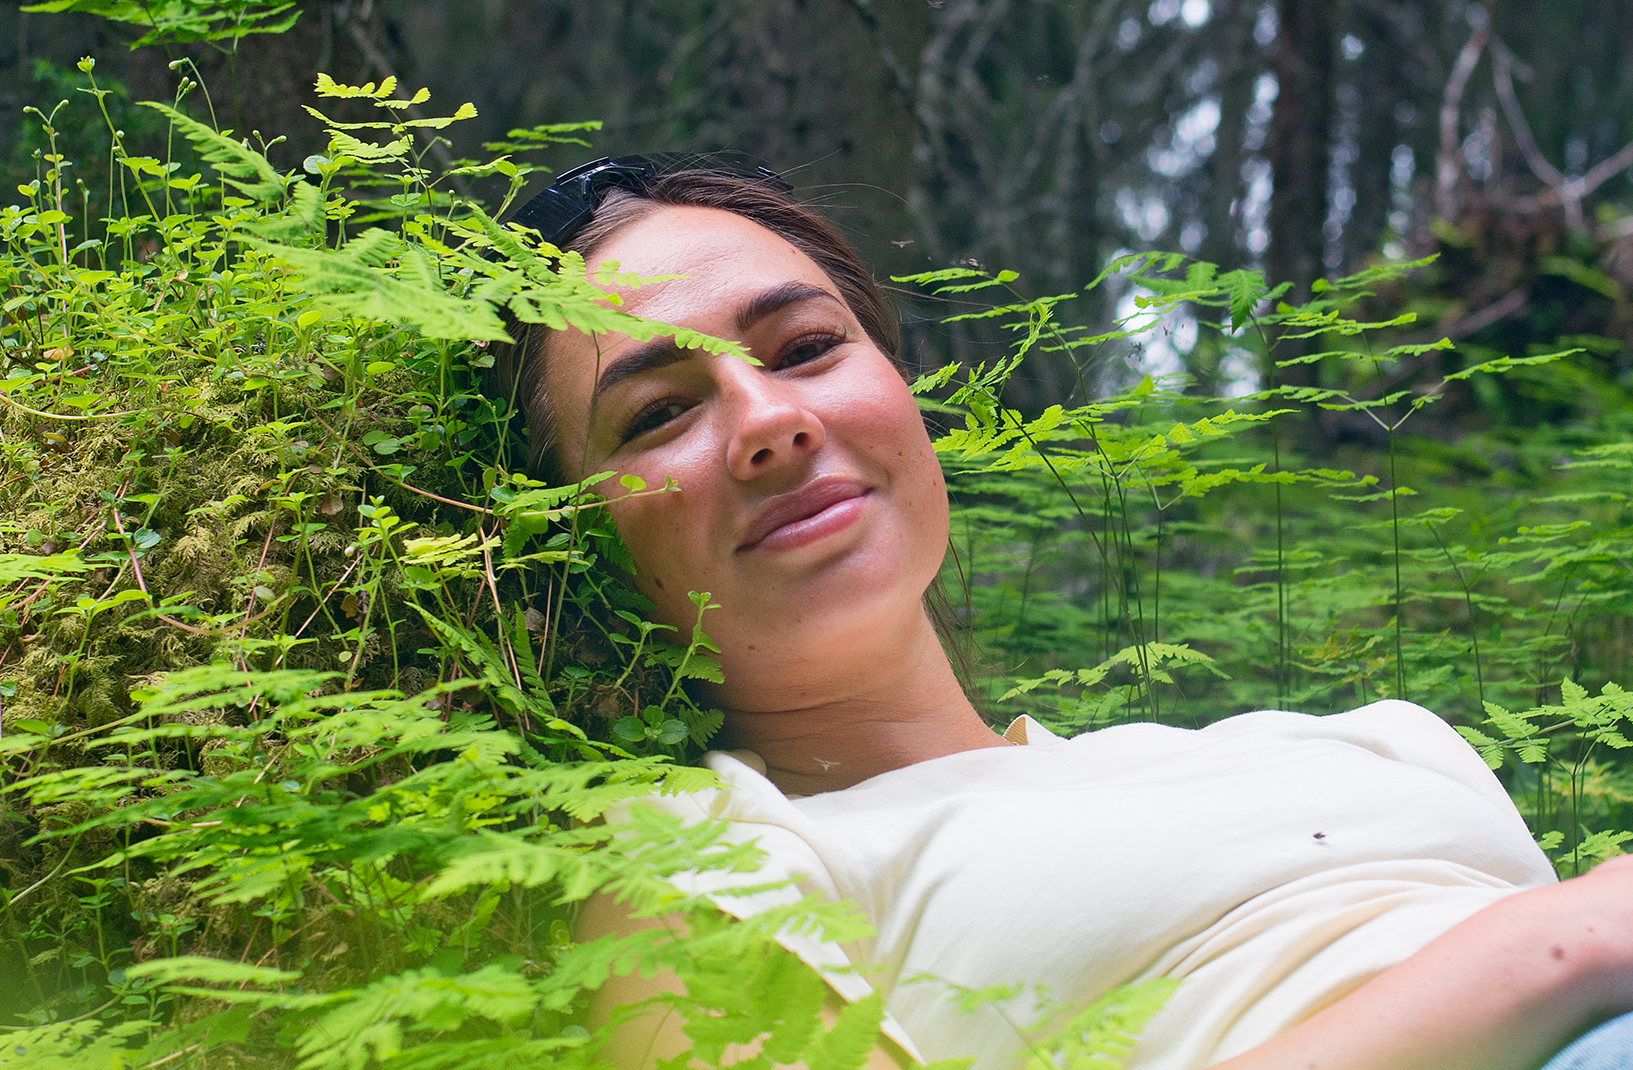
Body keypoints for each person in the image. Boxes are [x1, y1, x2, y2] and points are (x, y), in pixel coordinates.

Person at [494, 157, 1633, 1070]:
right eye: (655, 414)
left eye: (805, 346)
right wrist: (1551, 954)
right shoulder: (697, 854)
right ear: (574, 536)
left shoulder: (1355, 737)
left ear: (901, 392)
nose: (770, 418)